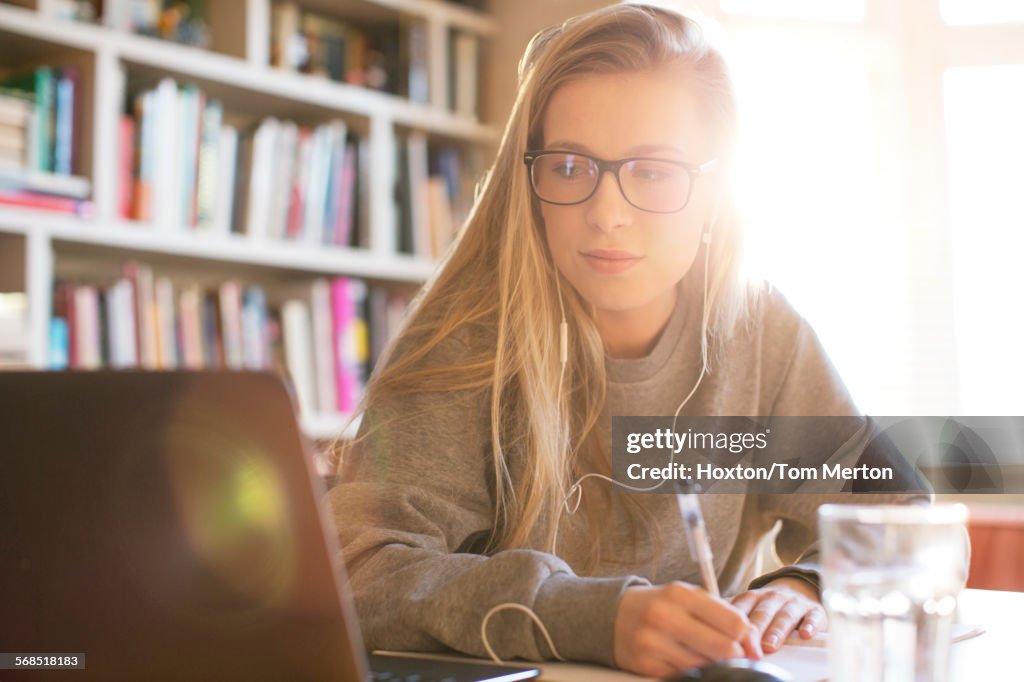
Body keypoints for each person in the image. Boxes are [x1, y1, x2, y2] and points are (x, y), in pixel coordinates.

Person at [328, 4, 922, 677]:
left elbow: (898, 510)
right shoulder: (465, 344)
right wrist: (590, 618)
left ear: (717, 188)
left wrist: (805, 584)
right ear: (530, 180)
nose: (607, 214)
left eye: (655, 171)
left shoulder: (761, 331)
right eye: (571, 166)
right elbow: (360, 575)